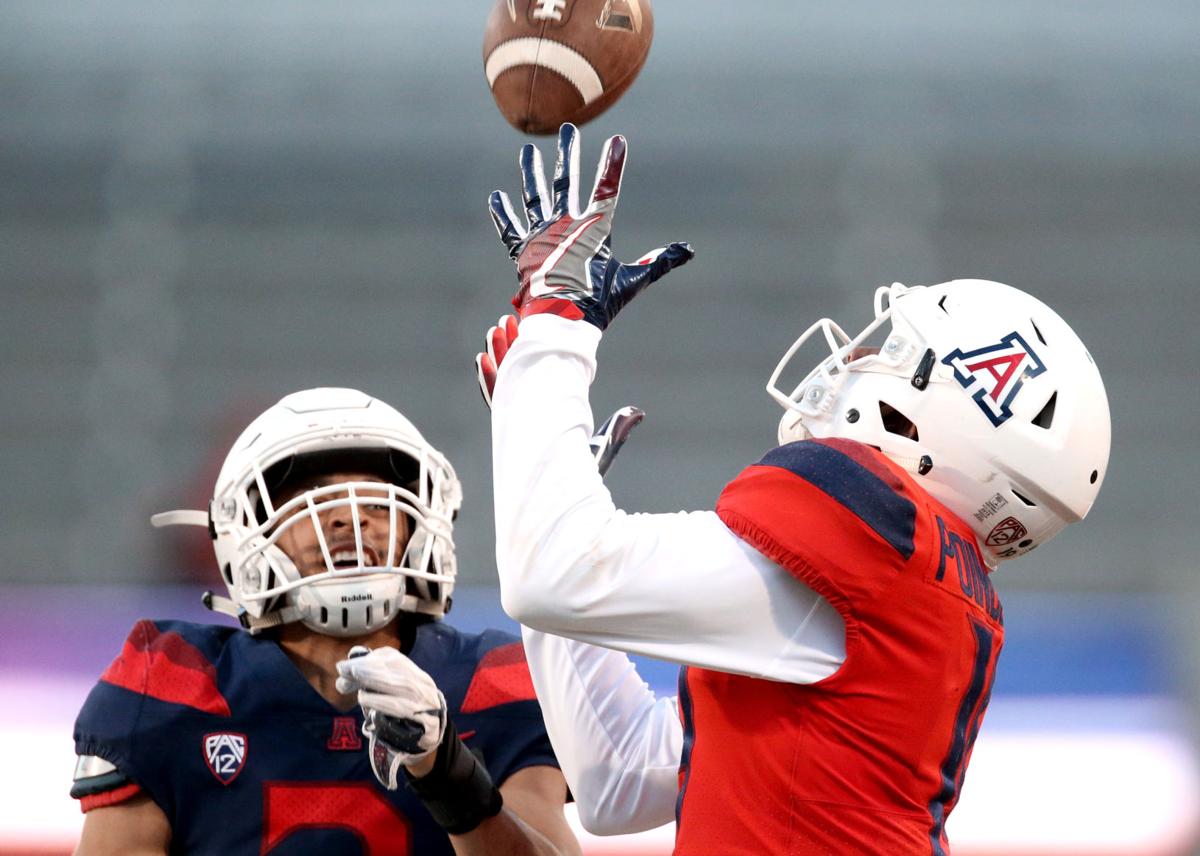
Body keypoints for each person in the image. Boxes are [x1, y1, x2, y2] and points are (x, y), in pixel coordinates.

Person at [479, 123, 1112, 853]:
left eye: (892, 349)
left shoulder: (882, 540)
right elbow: (618, 778)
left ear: (950, 412)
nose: (856, 355)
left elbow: (555, 575)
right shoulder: (913, 593)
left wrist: (558, 321)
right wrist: (539, 466)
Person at [69, 387, 581, 856]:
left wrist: (448, 772)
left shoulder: (494, 680)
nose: (348, 516)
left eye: (376, 498)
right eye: (311, 495)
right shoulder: (169, 682)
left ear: (419, 527)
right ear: (244, 533)